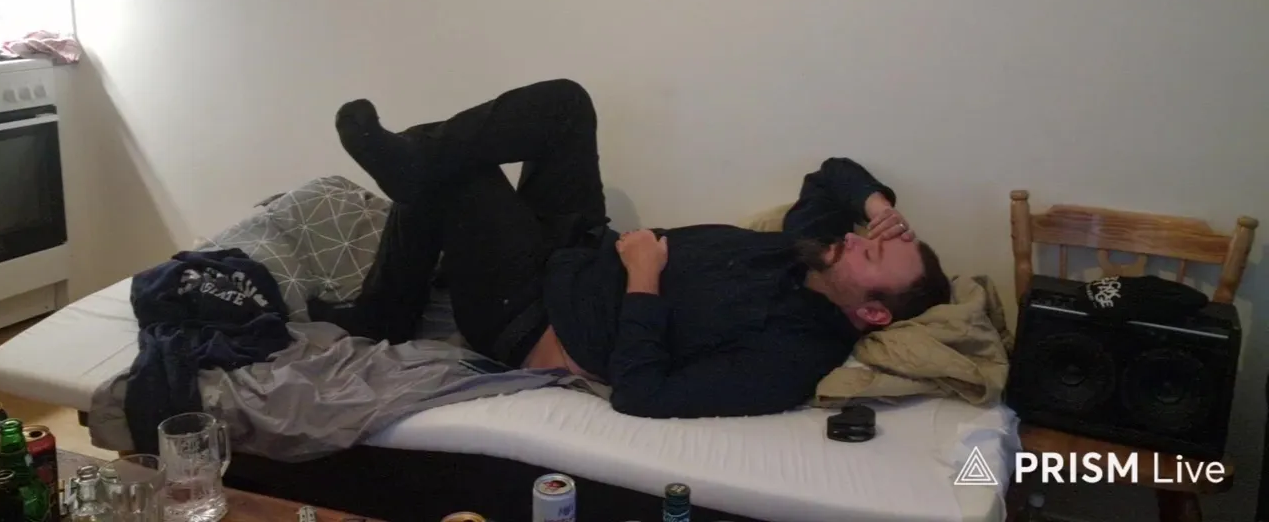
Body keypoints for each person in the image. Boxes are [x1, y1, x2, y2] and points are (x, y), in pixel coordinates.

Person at [322, 79, 951, 419]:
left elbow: (644, 394)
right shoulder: (807, 251)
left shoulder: (790, 359)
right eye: (869, 237)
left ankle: (389, 283)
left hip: (534, 315)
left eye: (870, 255)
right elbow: (831, 174)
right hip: (579, 249)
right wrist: (879, 208)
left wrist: (644, 279)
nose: (854, 240)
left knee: (460, 179)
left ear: (872, 312)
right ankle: (413, 174)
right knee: (565, 105)